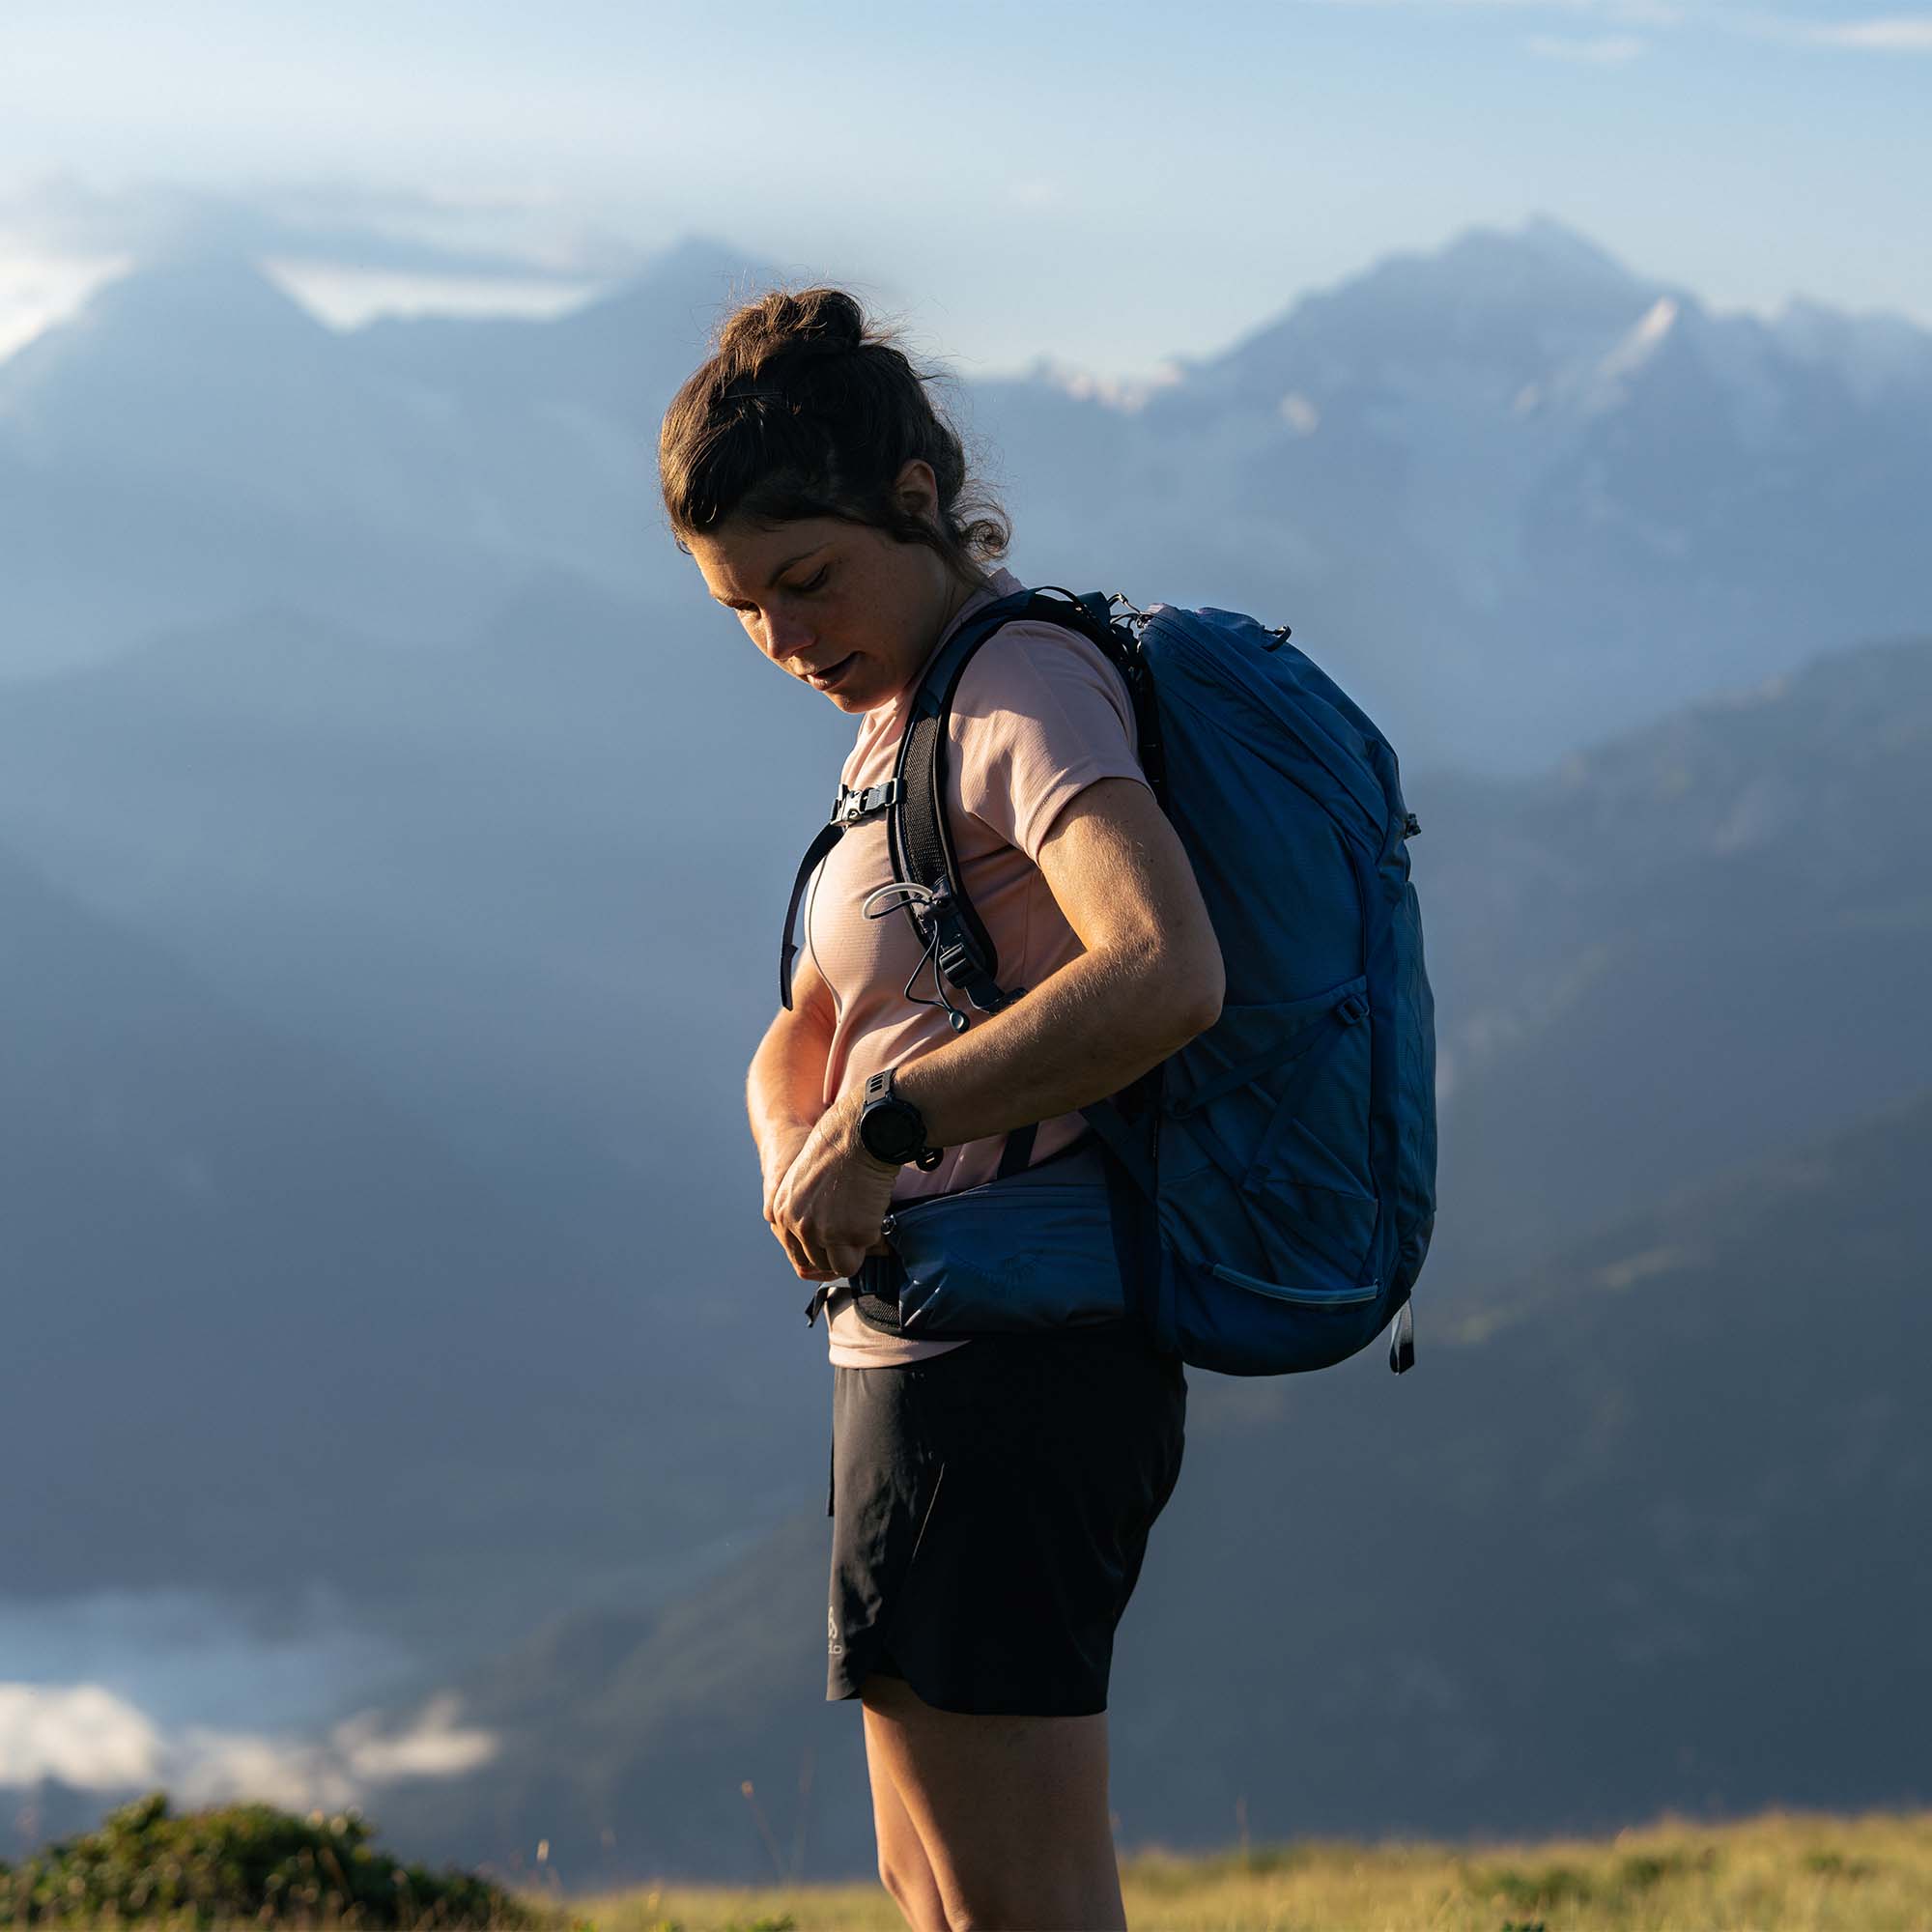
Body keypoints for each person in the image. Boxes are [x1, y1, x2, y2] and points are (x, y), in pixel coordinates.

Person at [659, 287, 1225, 1932]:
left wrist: (884, 1130)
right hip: (919, 1353)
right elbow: (811, 1024)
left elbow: (1163, 969)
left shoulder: (1020, 686)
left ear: (915, 501)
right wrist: (802, 1153)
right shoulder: (897, 727)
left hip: (1022, 1362)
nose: (783, 638)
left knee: (1014, 1902)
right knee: (935, 1890)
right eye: (742, 608)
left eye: (808, 580)